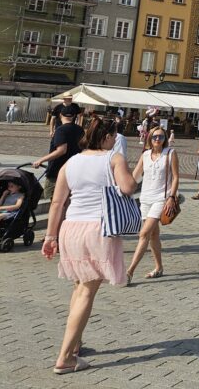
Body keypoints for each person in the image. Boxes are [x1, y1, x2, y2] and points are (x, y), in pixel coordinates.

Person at [42, 117, 136, 374]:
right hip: (98, 228)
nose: (116, 139)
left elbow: (57, 203)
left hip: (70, 228)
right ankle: (65, 358)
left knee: (78, 287)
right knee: (86, 291)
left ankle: (75, 345)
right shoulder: (113, 158)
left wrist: (50, 237)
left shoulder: (71, 162)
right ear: (105, 136)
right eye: (114, 134)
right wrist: (132, 178)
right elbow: (128, 187)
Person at [126, 128, 179, 283]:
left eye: (161, 136)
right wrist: (121, 187)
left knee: (143, 234)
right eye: (155, 136)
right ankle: (159, 267)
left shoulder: (170, 153)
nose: (158, 139)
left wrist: (171, 197)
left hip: (161, 199)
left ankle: (129, 272)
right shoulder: (145, 155)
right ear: (149, 138)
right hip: (145, 199)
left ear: (165, 138)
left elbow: (176, 177)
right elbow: (135, 176)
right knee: (153, 235)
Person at [33, 111, 83, 204]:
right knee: (67, 198)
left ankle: (56, 218)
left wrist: (41, 160)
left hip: (57, 169)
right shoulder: (80, 129)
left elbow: (61, 150)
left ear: (60, 116)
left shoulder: (61, 130)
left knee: (55, 200)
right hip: (74, 169)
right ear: (74, 116)